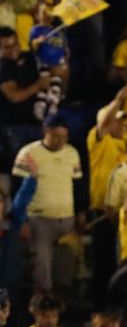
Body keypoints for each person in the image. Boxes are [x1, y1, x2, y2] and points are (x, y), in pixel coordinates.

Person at [11, 114, 83, 294]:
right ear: (45, 131)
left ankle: (61, 302)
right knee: (42, 267)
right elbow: (16, 189)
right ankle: (42, 301)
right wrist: (21, 220)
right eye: (56, 136)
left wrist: (81, 212)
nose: (60, 141)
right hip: (39, 219)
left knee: (65, 263)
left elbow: (78, 185)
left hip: (67, 218)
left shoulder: (72, 153)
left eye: (64, 137)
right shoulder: (28, 153)